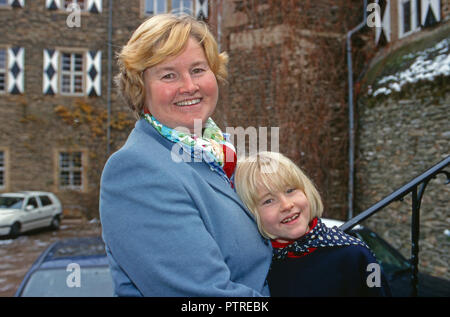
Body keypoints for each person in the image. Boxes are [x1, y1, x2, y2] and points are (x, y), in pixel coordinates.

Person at [99, 14, 272, 296]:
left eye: (198, 70)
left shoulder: (215, 153)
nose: (189, 86)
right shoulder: (136, 170)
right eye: (169, 75)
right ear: (140, 89)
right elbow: (203, 297)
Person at [234, 151, 391, 297]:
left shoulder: (355, 254)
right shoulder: (253, 267)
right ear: (249, 213)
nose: (287, 205)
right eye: (268, 201)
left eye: (290, 190)